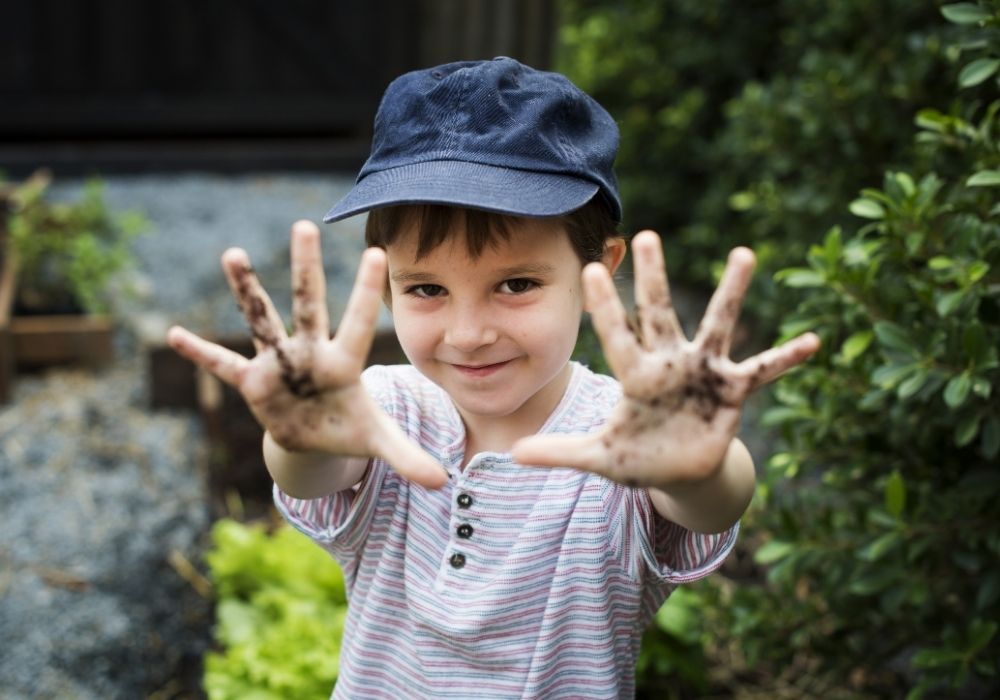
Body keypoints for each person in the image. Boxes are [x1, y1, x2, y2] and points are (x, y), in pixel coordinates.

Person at [167, 57, 820, 699]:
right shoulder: (382, 411)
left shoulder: (627, 436)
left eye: (516, 284)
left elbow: (710, 502)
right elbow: (309, 473)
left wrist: (695, 467)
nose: (469, 332)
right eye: (426, 287)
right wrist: (300, 436)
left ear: (600, 268)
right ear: (384, 280)